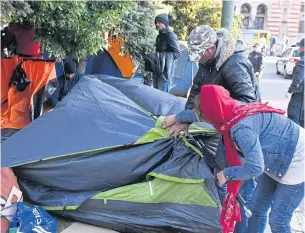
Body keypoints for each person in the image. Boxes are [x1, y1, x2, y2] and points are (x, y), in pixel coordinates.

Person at [162, 25, 261, 233]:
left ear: (210, 49)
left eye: (199, 55)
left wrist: (183, 116)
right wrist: (185, 121)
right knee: (223, 179)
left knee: (242, 188)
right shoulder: (207, 63)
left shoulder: (234, 64)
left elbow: (247, 103)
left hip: (243, 132)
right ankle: (228, 223)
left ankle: (244, 227)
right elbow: (196, 91)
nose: (196, 59)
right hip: (227, 129)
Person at [195, 84, 304, 233]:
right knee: (255, 210)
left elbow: (255, 168)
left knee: (279, 219)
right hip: (277, 157)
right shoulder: (232, 110)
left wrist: (227, 174)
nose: (210, 123)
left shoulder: (241, 128)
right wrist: (179, 118)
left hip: (298, 158)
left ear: (212, 112)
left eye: (206, 116)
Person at [153, 13, 180, 92]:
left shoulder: (170, 35)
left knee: (163, 94)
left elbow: (177, 53)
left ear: (165, 23)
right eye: (156, 22)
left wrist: (166, 60)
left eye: (159, 22)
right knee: (155, 91)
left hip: (165, 71)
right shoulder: (159, 36)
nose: (157, 24)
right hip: (157, 68)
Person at [286, 38, 304, 128]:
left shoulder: (303, 61)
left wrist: (290, 91)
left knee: (294, 118)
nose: (298, 49)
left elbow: (298, 79)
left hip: (300, 95)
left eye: (300, 47)